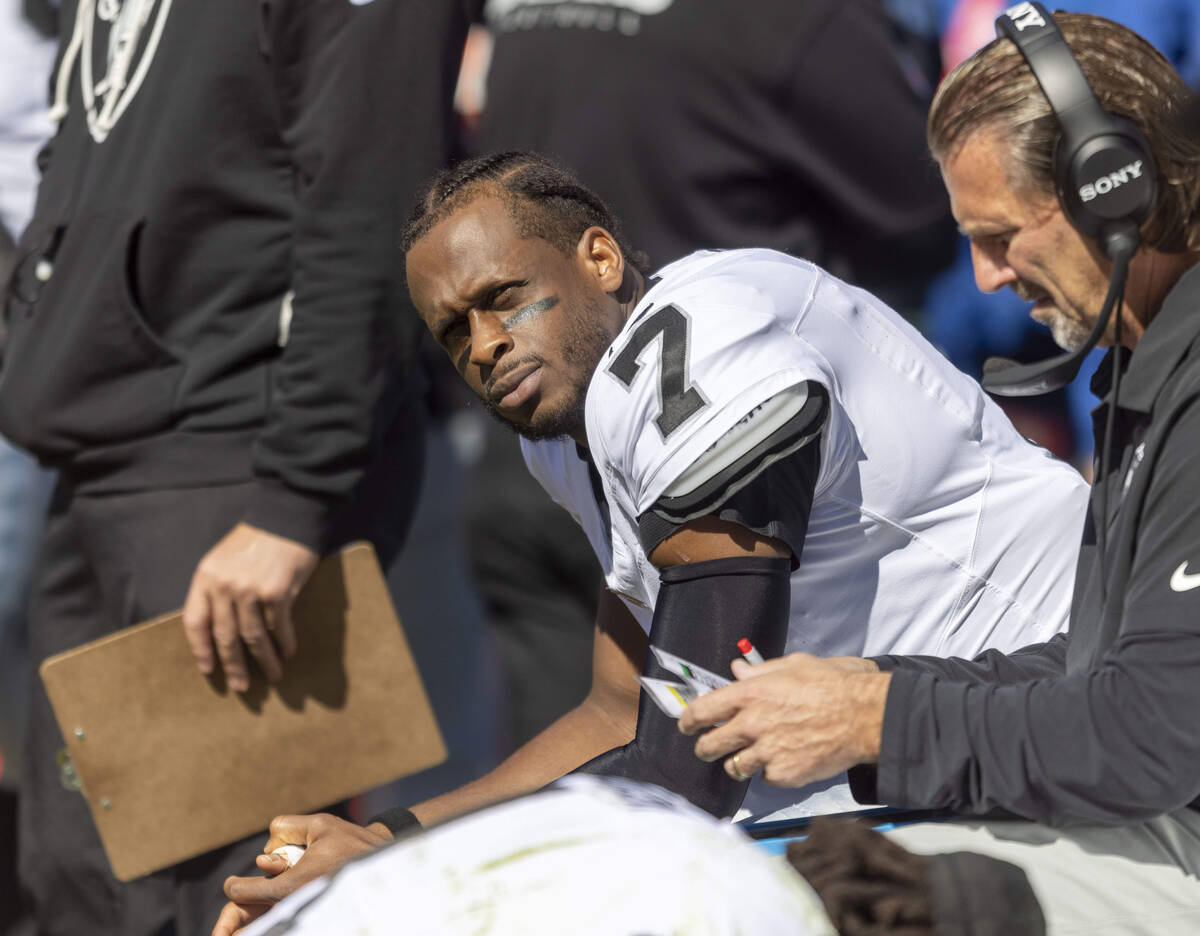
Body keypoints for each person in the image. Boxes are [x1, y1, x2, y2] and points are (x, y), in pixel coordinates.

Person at [213, 149, 1089, 932]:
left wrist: (392, 867)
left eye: (502, 299)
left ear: (599, 257)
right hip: (907, 776)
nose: (483, 345)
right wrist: (387, 831)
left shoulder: (698, 336)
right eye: (453, 331)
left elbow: (687, 765)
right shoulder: (565, 431)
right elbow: (614, 710)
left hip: (1058, 739)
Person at [678, 8, 1200, 933]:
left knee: (842, 897)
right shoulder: (1155, 366)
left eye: (1000, 236)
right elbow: (1096, 665)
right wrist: (856, 688)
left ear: (1116, 193)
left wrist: (882, 717)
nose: (987, 275)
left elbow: (1154, 733)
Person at [3, 2, 467, 934]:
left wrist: (293, 500)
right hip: (101, 460)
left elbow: (371, 209)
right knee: (76, 883)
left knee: (216, 899)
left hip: (241, 474)